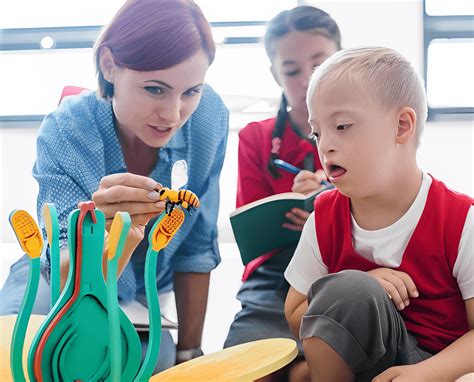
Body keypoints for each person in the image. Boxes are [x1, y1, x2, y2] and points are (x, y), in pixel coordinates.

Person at [0, 0, 229, 373]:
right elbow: (59, 265)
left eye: (191, 91)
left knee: (147, 366)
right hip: (56, 271)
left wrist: (191, 353)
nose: (173, 115)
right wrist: (97, 236)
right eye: (155, 89)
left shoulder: (208, 117)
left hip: (146, 286)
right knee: (24, 354)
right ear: (109, 65)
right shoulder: (66, 129)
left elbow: (196, 247)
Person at [284, 46, 473, 381]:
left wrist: (424, 374)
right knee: (349, 291)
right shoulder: (325, 216)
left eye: (342, 126)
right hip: (352, 364)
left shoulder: (460, 220)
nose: (325, 144)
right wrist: (358, 292)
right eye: (317, 132)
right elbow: (296, 313)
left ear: (402, 126)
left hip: (431, 364)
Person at [224, 6, 341, 381]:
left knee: (331, 366)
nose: (307, 79)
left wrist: (328, 204)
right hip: (275, 275)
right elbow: (250, 225)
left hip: (344, 265)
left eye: (319, 64)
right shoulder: (256, 138)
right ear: (275, 74)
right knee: (245, 370)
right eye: (292, 70)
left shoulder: (363, 132)